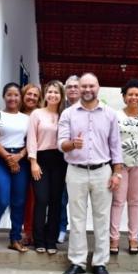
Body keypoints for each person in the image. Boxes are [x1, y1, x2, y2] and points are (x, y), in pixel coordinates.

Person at [58, 72, 123, 274]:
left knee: (102, 218)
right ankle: (77, 261)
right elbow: (61, 144)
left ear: (98, 87)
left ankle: (100, 263)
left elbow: (116, 146)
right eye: (83, 86)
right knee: (77, 218)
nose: (87, 90)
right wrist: (72, 145)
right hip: (75, 171)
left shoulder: (110, 114)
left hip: (103, 171)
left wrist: (117, 173)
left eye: (91, 86)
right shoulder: (68, 113)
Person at [109, 79, 138, 255]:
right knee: (118, 201)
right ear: (124, 97)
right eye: (130, 94)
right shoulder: (115, 116)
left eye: (137, 95)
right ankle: (114, 237)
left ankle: (133, 237)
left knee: (136, 201)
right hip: (120, 165)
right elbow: (110, 140)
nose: (134, 97)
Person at [0, 83, 30, 253]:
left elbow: (31, 142)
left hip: (20, 159)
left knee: (18, 201)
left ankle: (15, 239)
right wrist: (8, 158)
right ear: (4, 96)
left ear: (20, 97)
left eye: (16, 95)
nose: (13, 98)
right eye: (9, 95)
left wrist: (20, 156)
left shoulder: (26, 118)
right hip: (0, 160)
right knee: (2, 199)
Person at [28, 80, 67, 254]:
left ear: (61, 96)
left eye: (56, 92)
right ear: (45, 94)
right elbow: (31, 139)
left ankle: (51, 240)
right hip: (41, 160)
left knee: (56, 201)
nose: (53, 95)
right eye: (50, 91)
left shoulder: (65, 115)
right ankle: (39, 239)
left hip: (60, 161)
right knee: (41, 199)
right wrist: (33, 162)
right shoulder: (37, 114)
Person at [19, 83, 42, 246]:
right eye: (29, 94)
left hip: (35, 160)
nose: (31, 97)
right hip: (17, 162)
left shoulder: (41, 115)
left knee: (34, 199)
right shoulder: (15, 114)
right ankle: (19, 230)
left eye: (35, 95)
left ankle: (30, 231)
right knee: (20, 198)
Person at [59, 75, 81, 244]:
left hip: (81, 160)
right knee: (61, 197)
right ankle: (61, 227)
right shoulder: (60, 108)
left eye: (76, 86)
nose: (72, 89)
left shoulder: (88, 108)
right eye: (69, 87)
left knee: (78, 200)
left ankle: (77, 232)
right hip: (60, 158)